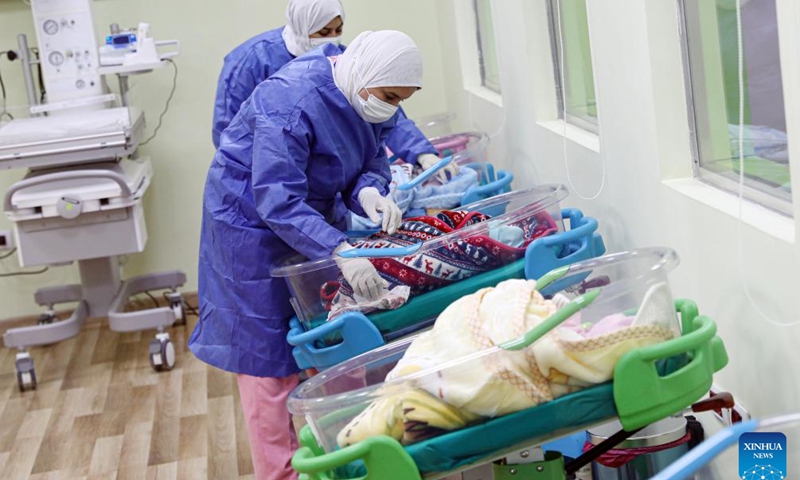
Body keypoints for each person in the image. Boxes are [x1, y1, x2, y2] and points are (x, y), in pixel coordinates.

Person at [191, 31, 431, 480]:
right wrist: (337, 247)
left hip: (313, 218)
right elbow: (276, 199)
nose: (393, 107)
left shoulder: (366, 92)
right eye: (391, 96)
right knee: (267, 357)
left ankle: (346, 454)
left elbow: (369, 159)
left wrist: (372, 192)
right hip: (249, 226)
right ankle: (280, 472)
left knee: (333, 333)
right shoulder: (291, 101)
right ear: (368, 77)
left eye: (403, 100)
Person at [211, 0, 458, 182]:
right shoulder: (251, 61)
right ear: (302, 24)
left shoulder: (344, 62)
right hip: (259, 184)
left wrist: (422, 153)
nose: (332, 38)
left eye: (337, 30)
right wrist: (276, 176)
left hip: (323, 186)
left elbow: (384, 111)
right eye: (323, 31)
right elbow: (231, 135)